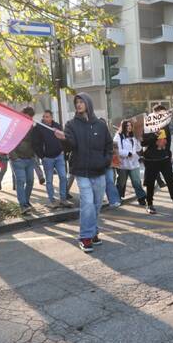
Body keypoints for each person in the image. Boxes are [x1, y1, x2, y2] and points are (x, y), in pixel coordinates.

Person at [55, 93, 112, 252]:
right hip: (81, 171)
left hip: (99, 171)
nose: (79, 104)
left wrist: (105, 161)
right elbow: (70, 147)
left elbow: (109, 146)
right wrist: (62, 139)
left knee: (96, 204)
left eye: (81, 102)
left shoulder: (101, 125)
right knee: (87, 204)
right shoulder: (71, 125)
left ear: (88, 103)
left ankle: (93, 232)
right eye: (77, 102)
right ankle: (85, 237)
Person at [141, 104, 173, 216]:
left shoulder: (166, 126)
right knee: (150, 183)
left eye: (164, 114)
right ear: (154, 114)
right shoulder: (147, 125)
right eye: (160, 114)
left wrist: (169, 155)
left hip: (164, 158)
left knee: (171, 181)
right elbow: (143, 142)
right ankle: (150, 204)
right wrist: (154, 135)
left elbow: (168, 141)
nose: (163, 116)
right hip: (151, 159)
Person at [32, 110, 70, 209]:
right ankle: (51, 201)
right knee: (49, 180)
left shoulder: (57, 125)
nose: (45, 118)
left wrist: (63, 150)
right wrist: (42, 156)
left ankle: (63, 199)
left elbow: (63, 138)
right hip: (47, 158)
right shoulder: (38, 128)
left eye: (47, 116)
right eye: (44, 116)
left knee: (63, 177)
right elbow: (35, 144)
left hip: (59, 156)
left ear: (51, 117)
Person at [9, 107, 37, 214]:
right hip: (18, 159)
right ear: (22, 114)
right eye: (27, 116)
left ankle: (26, 201)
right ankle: (23, 205)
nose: (29, 119)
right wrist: (14, 157)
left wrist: (33, 155)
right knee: (21, 181)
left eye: (30, 117)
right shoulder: (15, 125)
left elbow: (35, 142)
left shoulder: (31, 127)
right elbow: (9, 141)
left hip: (29, 159)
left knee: (30, 181)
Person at [114, 120, 147, 205]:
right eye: (127, 125)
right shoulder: (118, 136)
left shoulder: (133, 137)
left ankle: (141, 198)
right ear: (123, 126)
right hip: (123, 164)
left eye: (130, 125)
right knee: (121, 182)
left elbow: (138, 149)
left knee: (136, 181)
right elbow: (117, 149)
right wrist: (127, 153)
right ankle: (117, 197)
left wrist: (139, 140)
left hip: (134, 163)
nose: (129, 127)